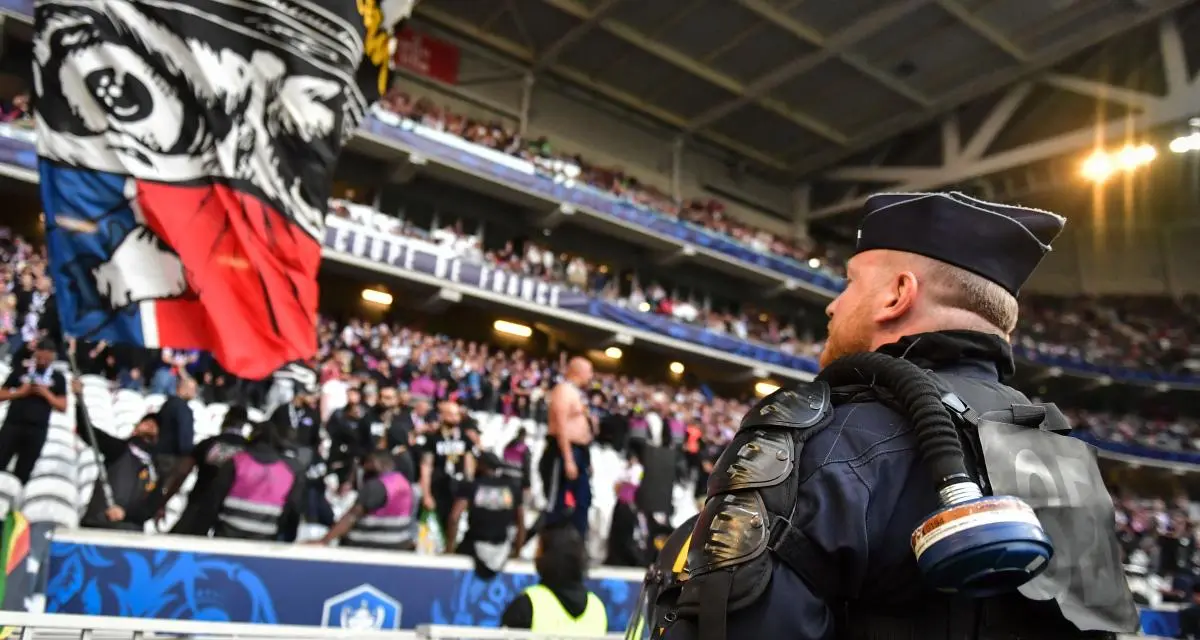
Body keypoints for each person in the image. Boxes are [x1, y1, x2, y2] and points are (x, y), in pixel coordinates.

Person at [636, 192, 1139, 640]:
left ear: (898, 294)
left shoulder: (828, 439)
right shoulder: (1071, 461)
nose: (833, 307)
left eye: (850, 283)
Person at [74, 379, 160, 531]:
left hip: (130, 534)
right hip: (99, 524)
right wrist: (78, 399)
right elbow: (88, 431)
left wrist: (125, 514)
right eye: (147, 422)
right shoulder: (119, 448)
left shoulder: (158, 466)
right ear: (136, 428)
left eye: (156, 426)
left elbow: (151, 506)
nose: (151, 425)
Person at [501, 522, 608, 634]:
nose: (535, 555)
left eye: (538, 550)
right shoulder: (597, 608)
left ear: (546, 558)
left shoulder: (527, 604)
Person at [158, 406, 249, 535]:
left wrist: (163, 502)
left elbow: (182, 473)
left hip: (199, 505)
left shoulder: (208, 443)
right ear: (244, 424)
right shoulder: (249, 450)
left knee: (179, 545)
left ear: (225, 420)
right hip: (230, 510)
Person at [208, 420, 304, 540]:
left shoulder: (236, 461)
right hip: (265, 537)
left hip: (227, 532)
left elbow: (215, 498)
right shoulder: (289, 471)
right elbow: (293, 508)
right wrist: (288, 538)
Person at [445, 451, 526, 577]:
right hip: (502, 549)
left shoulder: (471, 486)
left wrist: (449, 549)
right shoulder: (512, 489)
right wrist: (517, 553)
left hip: (474, 547)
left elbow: (454, 518)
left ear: (482, 465)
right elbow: (521, 523)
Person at [315, 450, 416, 550]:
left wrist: (324, 541)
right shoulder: (403, 483)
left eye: (365, 463)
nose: (363, 468)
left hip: (367, 546)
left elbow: (351, 517)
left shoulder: (375, 486)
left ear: (374, 462)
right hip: (398, 543)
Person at [0, 338, 66, 483]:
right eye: (40, 358)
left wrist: (46, 393)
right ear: (35, 354)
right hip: (13, 425)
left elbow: (62, 406)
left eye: (47, 359)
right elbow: (1, 394)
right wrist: (19, 392)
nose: (42, 362)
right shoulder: (21, 370)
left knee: (23, 471)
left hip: (37, 429)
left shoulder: (58, 378)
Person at [542, 356, 594, 537]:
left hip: (580, 451)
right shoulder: (563, 390)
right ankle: (547, 544)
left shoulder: (577, 393)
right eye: (589, 371)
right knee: (557, 501)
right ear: (579, 371)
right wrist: (568, 458)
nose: (591, 376)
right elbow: (561, 424)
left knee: (583, 500)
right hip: (563, 450)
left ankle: (578, 542)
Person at [419, 400, 473, 533]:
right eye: (450, 414)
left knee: (454, 522)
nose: (454, 418)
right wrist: (426, 494)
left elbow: (469, 465)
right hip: (438, 486)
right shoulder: (433, 438)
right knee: (436, 524)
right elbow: (426, 467)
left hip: (458, 486)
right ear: (442, 416)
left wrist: (469, 489)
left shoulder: (464, 438)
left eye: (456, 414)